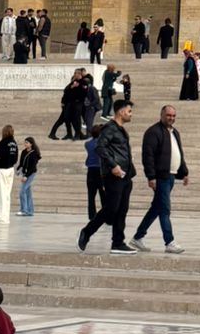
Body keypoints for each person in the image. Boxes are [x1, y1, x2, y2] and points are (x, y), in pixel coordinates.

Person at [79, 100, 136, 251]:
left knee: (122, 210)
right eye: (129, 111)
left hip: (125, 175)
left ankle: (118, 242)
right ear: (121, 112)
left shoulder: (120, 129)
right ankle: (87, 232)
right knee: (111, 208)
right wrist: (113, 165)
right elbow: (100, 147)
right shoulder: (110, 128)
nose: (131, 114)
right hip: (114, 175)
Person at [132, 104, 188, 251]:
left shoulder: (175, 132)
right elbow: (148, 156)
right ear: (161, 115)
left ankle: (137, 238)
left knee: (156, 208)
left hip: (171, 175)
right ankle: (169, 242)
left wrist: (184, 172)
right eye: (168, 115)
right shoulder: (153, 132)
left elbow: (179, 153)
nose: (171, 118)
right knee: (164, 209)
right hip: (160, 176)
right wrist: (151, 177)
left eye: (173, 116)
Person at [0, 126, 19, 216]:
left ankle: (2, 217)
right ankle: (6, 216)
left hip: (2, 169)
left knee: (1, 194)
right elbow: (15, 158)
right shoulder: (14, 143)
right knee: (7, 194)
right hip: (10, 169)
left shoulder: (3, 143)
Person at [17, 135, 41, 215]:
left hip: (31, 173)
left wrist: (26, 176)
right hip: (24, 173)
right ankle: (30, 211)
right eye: (25, 142)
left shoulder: (34, 153)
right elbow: (21, 163)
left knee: (22, 191)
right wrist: (18, 169)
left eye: (27, 142)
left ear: (31, 144)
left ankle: (24, 210)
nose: (25, 144)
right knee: (27, 192)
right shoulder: (24, 152)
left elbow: (33, 167)